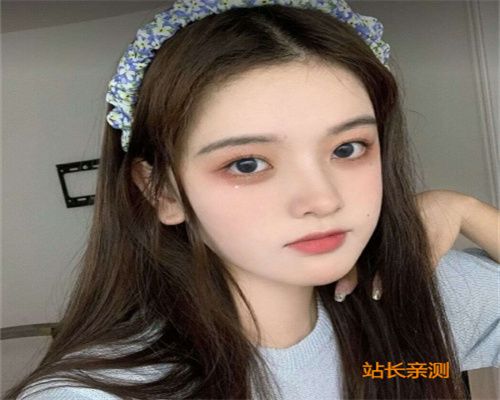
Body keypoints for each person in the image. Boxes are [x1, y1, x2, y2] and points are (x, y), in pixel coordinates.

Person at [6, 0, 499, 399]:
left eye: (348, 149)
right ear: (163, 191)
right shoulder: (98, 393)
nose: (322, 200)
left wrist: (467, 210)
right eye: (247, 163)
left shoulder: (417, 295)